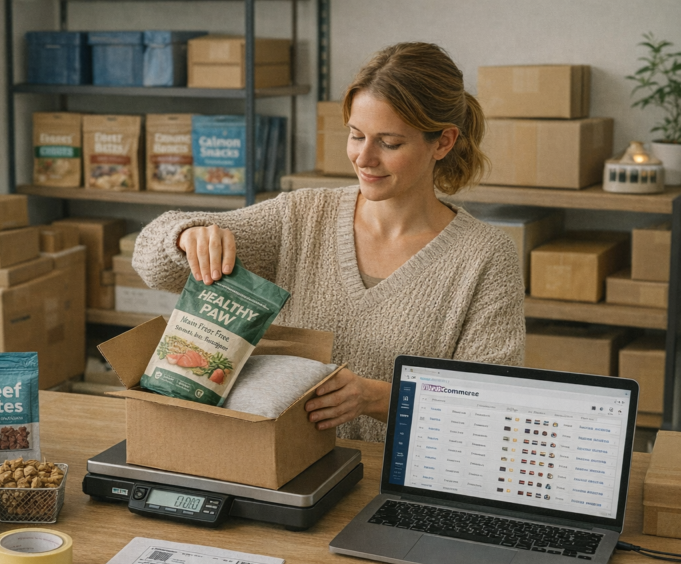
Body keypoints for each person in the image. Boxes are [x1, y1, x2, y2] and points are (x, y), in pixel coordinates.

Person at [132, 42, 525, 442]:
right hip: (281, 471)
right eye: (356, 136)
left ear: (442, 142)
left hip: (394, 482)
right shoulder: (300, 217)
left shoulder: (486, 257)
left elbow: (489, 408)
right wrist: (185, 237)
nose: (364, 158)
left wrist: (379, 398)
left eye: (389, 143)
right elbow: (152, 265)